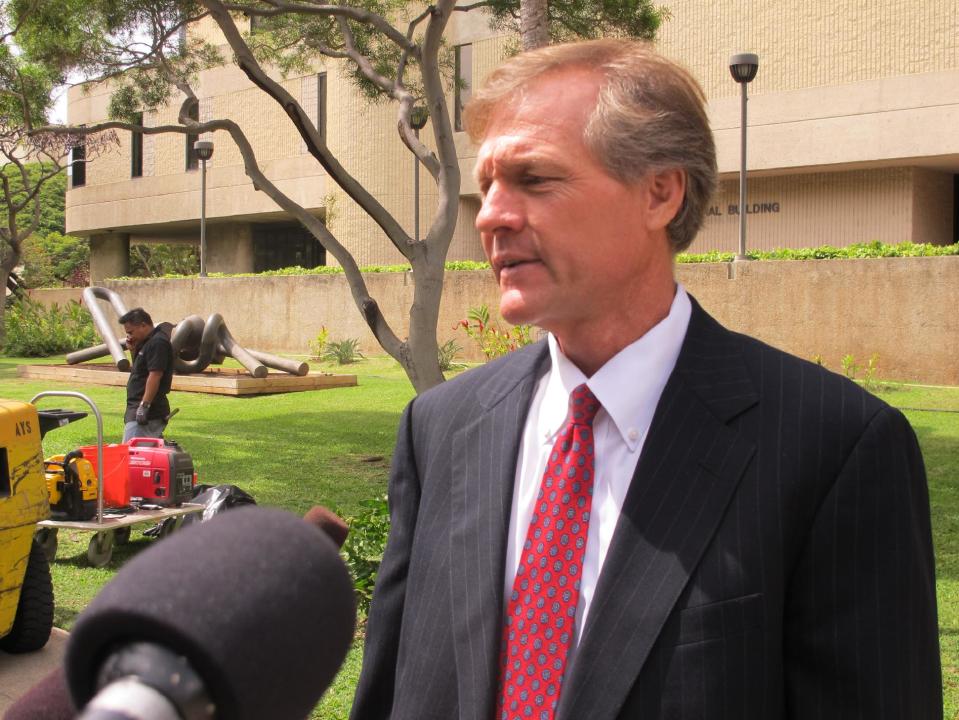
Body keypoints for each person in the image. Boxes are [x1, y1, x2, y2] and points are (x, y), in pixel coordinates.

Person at [350, 39, 941, 720]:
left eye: (534, 179)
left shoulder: (833, 447)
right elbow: (393, 686)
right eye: (486, 189)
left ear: (659, 192)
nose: (490, 216)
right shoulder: (440, 426)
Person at [119, 307, 173, 443]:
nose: (130, 336)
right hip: (137, 408)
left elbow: (155, 375)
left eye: (131, 332)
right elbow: (140, 370)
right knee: (146, 456)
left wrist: (144, 406)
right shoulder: (146, 343)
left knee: (131, 454)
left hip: (148, 411)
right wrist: (134, 349)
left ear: (143, 325)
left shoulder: (157, 343)